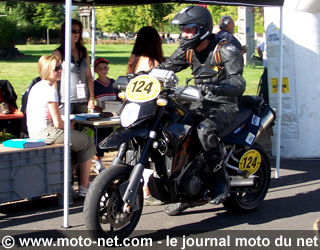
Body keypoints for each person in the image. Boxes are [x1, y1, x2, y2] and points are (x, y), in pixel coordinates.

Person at [157, 5, 246, 215]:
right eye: (183, 29)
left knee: (205, 130)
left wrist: (215, 86)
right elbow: (166, 67)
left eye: (189, 29)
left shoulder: (224, 49)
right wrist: (143, 75)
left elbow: (239, 83)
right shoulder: (188, 50)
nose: (184, 34)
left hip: (223, 105)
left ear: (202, 29)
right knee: (173, 128)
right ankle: (183, 189)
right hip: (198, 102)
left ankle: (220, 180)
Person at [26, 55, 96, 197]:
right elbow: (58, 123)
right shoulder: (49, 90)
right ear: (46, 71)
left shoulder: (37, 86)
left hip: (35, 131)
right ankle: (84, 188)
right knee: (87, 142)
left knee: (76, 144)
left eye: (61, 68)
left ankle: (67, 187)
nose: (60, 71)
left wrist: (68, 125)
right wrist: (69, 125)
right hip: (45, 132)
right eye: (56, 68)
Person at [127, 26, 165, 206]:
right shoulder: (151, 61)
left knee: (138, 150)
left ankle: (141, 187)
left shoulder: (133, 60)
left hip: (132, 111)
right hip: (149, 112)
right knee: (152, 150)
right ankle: (147, 189)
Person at [53, 19, 95, 115]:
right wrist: (55, 100)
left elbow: (88, 75)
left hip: (82, 100)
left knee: (83, 129)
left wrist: (91, 97)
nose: (77, 34)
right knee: (66, 129)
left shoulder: (83, 51)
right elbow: (54, 77)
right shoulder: (59, 52)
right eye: (73, 31)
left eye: (79, 31)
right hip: (65, 100)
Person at [92, 57, 118, 174]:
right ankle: (98, 163)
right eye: (100, 68)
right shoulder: (94, 85)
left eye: (105, 68)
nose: (103, 70)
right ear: (96, 70)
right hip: (100, 115)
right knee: (99, 138)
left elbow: (118, 99)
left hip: (113, 115)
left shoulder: (113, 82)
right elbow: (92, 104)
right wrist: (101, 110)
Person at [257, 38, 269, 104]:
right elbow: (259, 49)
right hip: (269, 67)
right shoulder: (265, 38)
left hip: (267, 67)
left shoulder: (266, 38)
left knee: (265, 87)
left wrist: (263, 57)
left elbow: (259, 50)